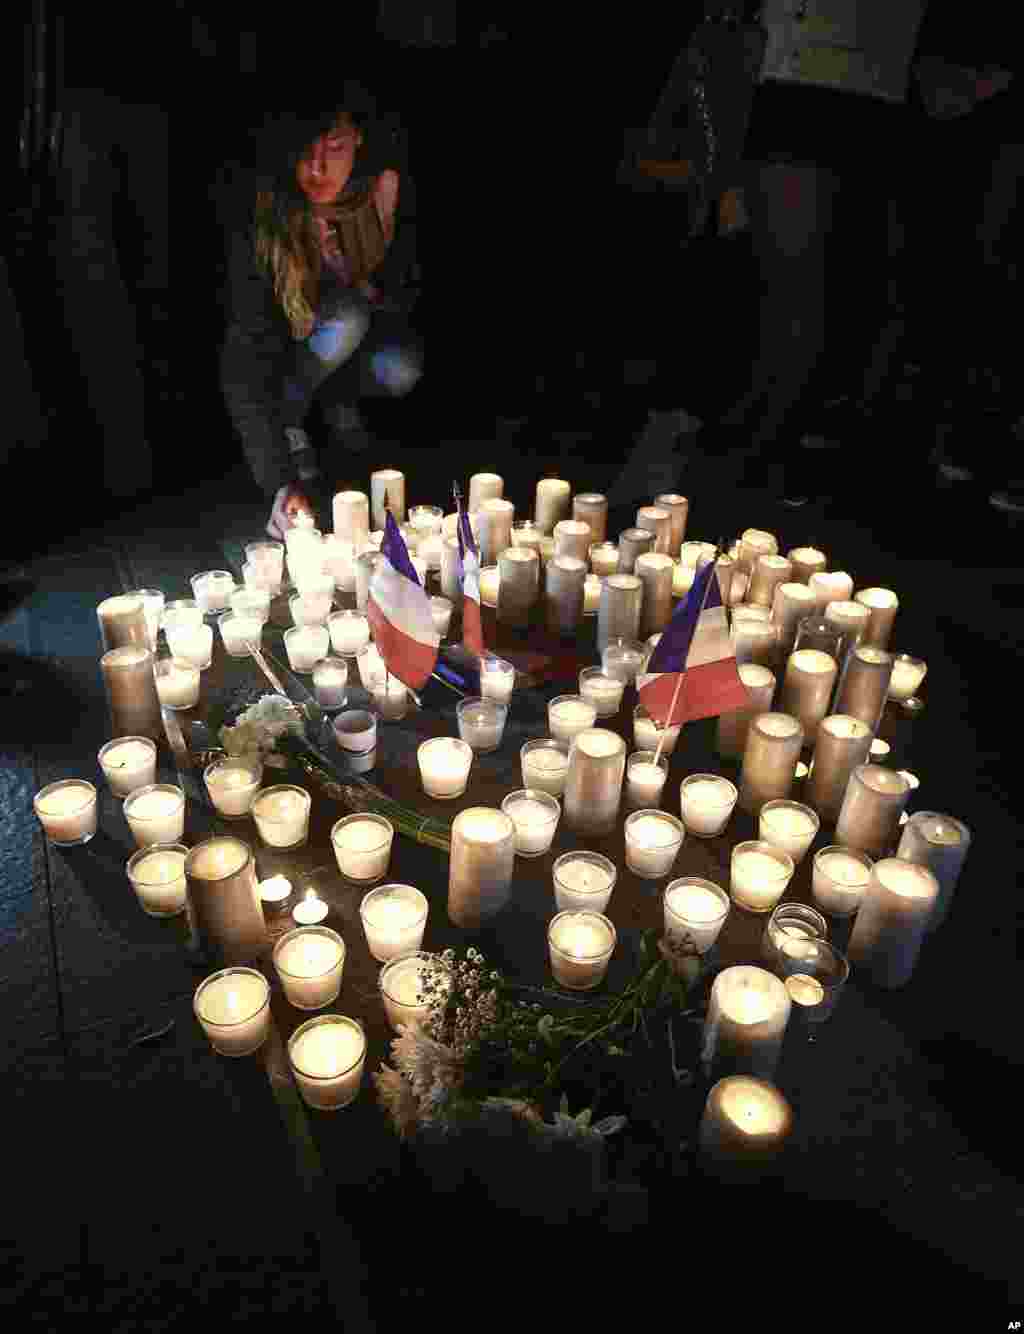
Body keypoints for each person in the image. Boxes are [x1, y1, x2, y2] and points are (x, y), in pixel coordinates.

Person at [219, 81, 423, 538]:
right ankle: (293, 419)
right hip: (284, 361)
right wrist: (278, 482)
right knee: (347, 315)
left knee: (398, 363)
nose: (318, 167)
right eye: (305, 150)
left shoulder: (381, 199)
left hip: (349, 354)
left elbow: (406, 298)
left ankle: (334, 406)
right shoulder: (267, 216)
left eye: (335, 146)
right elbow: (243, 355)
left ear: (358, 141)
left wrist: (368, 287)